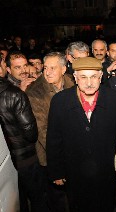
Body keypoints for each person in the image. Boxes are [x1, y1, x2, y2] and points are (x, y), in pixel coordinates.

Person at [46, 57, 116, 211]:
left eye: (94, 77)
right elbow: (54, 139)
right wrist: (56, 171)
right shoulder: (60, 101)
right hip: (74, 171)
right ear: (75, 78)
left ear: (101, 77)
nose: (89, 83)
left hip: (105, 171)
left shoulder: (114, 99)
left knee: (106, 204)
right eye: (83, 77)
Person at [26, 52, 74, 212]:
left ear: (63, 69)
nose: (47, 72)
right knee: (57, 198)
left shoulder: (72, 83)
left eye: (53, 68)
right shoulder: (35, 92)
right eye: (46, 68)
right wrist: (61, 159)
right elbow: (43, 131)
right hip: (51, 155)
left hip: (73, 150)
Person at [0, 77, 48, 212]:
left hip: (7, 160)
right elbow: (31, 133)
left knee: (17, 201)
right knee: (37, 197)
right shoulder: (14, 94)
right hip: (26, 158)